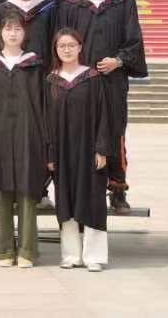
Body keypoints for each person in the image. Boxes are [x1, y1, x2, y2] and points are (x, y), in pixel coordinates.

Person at [57, 0, 147, 213]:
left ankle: (117, 188)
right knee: (79, 133)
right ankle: (81, 188)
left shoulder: (121, 3)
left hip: (112, 81)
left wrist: (118, 61)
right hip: (78, 82)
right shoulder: (71, 4)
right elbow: (62, 41)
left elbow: (134, 40)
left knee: (115, 131)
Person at [0, 11, 49, 268]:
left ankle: (27, 250)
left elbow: (45, 103)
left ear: (25, 33)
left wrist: (45, 137)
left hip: (29, 133)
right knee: (2, 190)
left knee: (27, 190)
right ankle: (4, 250)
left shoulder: (35, 64)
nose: (13, 33)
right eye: (8, 28)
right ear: (0, 33)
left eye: (17, 29)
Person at [0, 0, 57, 209]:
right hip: (10, 84)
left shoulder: (49, 8)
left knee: (40, 134)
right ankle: (12, 189)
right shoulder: (2, 11)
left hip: (41, 81)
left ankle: (40, 189)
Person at [46, 29, 112, 272]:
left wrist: (101, 149)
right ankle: (71, 255)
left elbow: (104, 115)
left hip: (88, 150)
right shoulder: (51, 81)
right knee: (66, 200)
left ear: (80, 47)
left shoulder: (92, 78)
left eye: (71, 45)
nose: (67, 49)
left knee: (93, 200)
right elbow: (45, 121)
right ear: (56, 50)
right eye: (62, 46)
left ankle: (94, 256)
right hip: (62, 152)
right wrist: (50, 154)